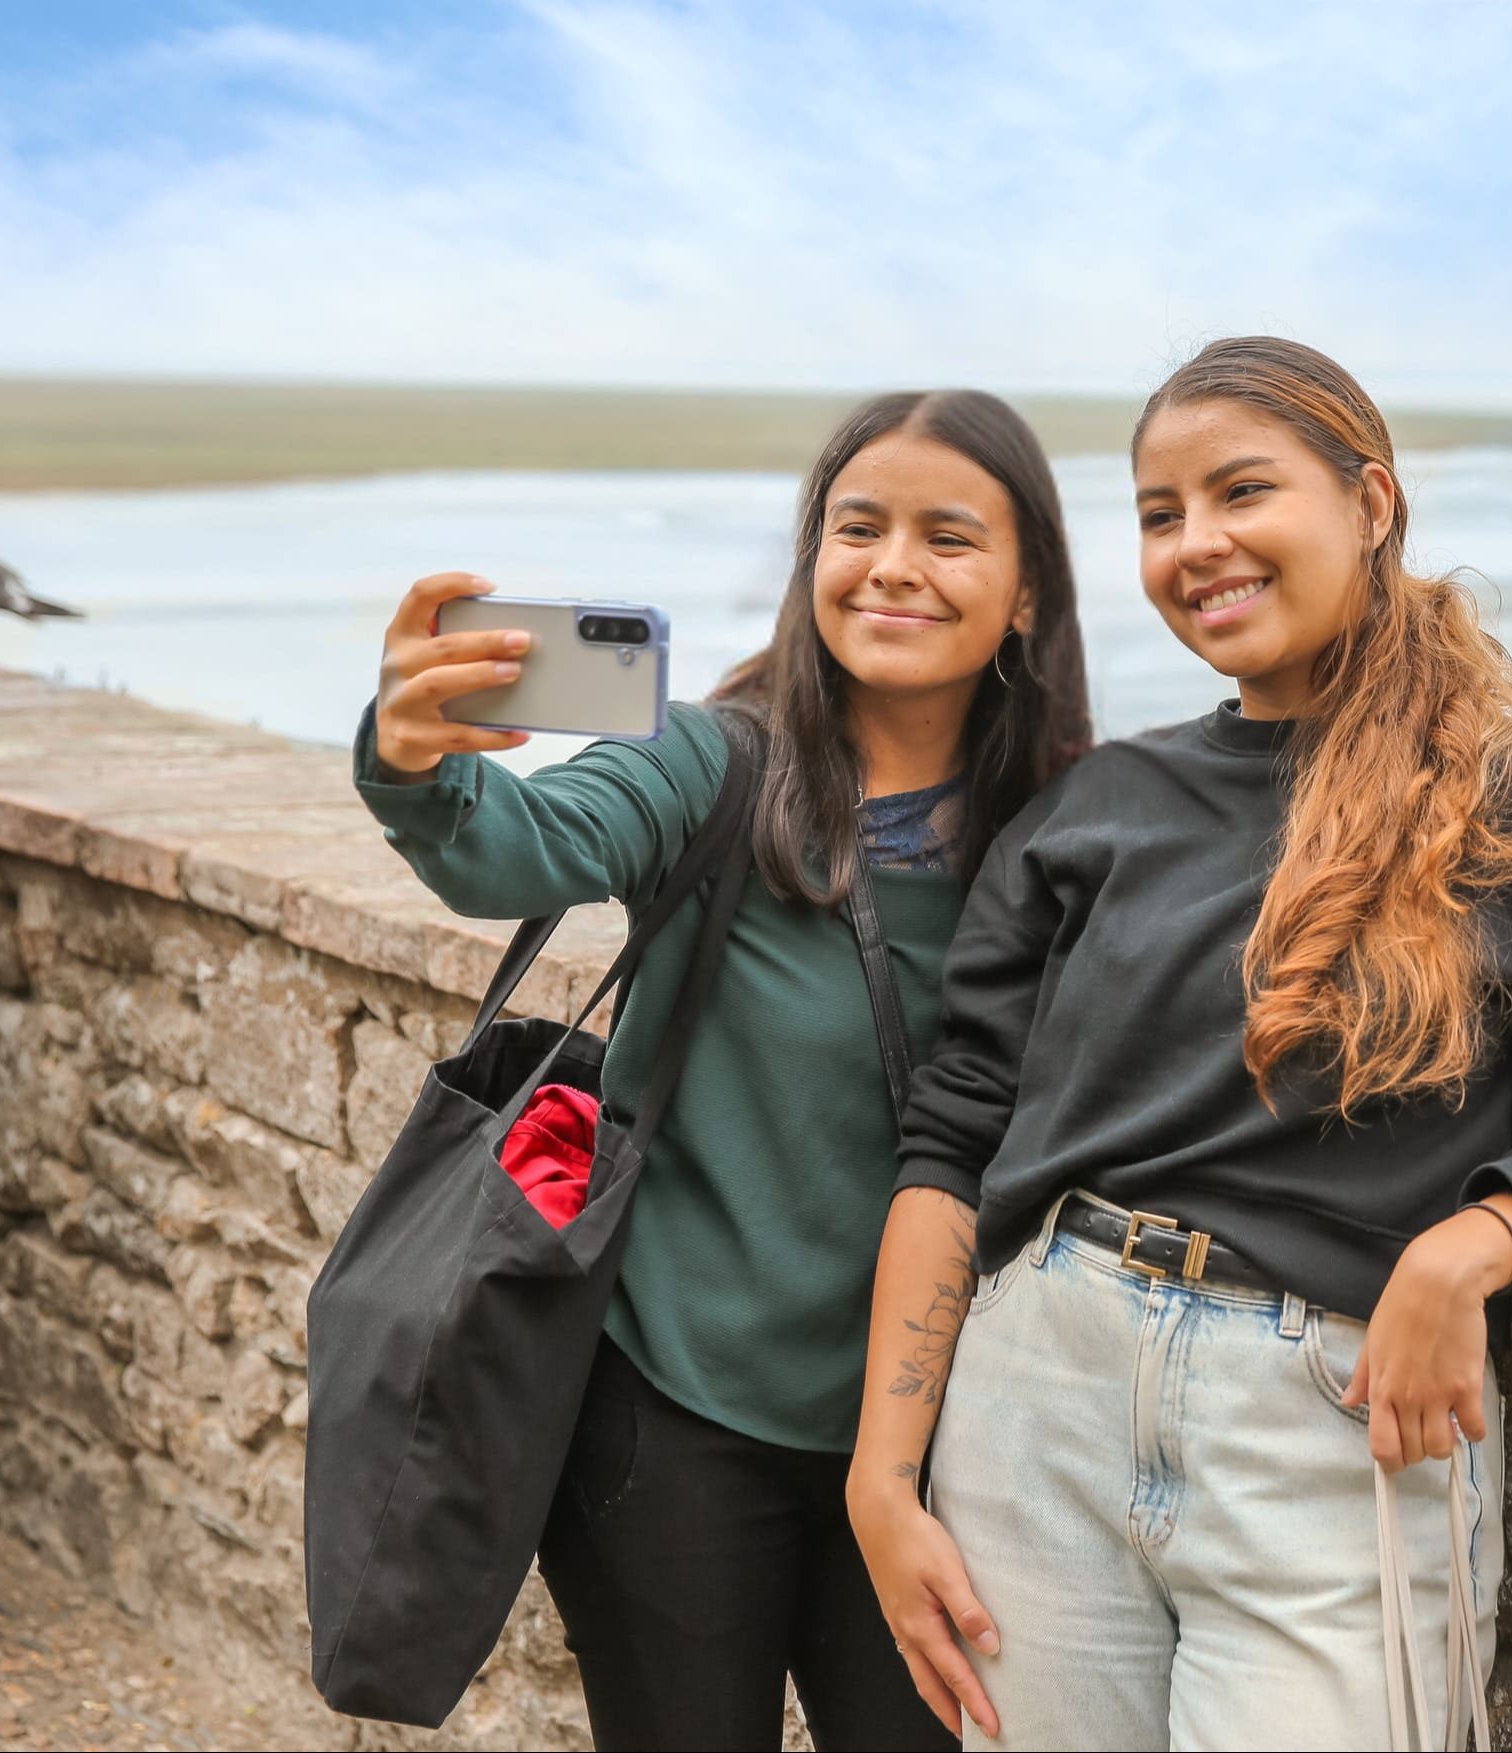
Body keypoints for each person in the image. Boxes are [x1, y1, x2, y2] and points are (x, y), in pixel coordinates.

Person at [847, 337, 1512, 1750]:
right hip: (1034, 1407)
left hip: (1331, 1428)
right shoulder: (1096, 808)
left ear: (1369, 502)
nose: (1197, 545)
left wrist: (1470, 1244)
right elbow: (953, 1139)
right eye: (1158, 513)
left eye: (1239, 491)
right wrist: (883, 1477)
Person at [355, 390, 1091, 1752]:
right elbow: (512, 847)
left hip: (944, 1439)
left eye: (948, 535)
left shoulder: (1078, 821)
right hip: (677, 1417)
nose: (891, 565)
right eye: (856, 526)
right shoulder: (710, 762)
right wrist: (417, 762)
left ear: (1030, 589)